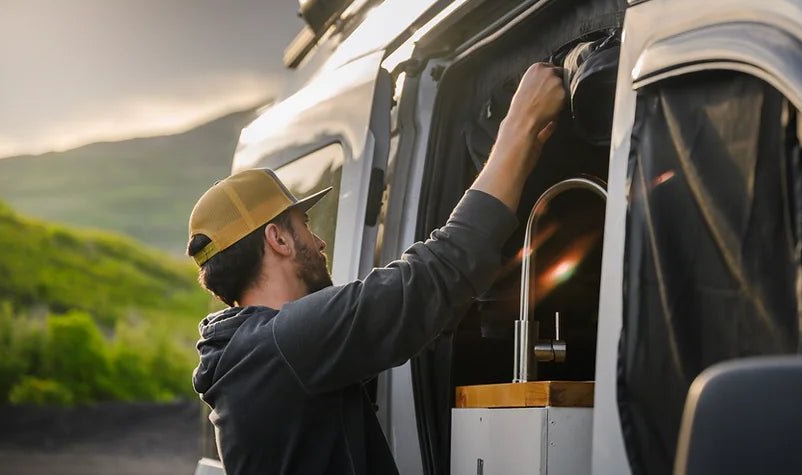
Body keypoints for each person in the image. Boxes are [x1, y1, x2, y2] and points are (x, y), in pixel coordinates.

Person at [189, 62, 565, 474]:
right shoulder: (285, 344)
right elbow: (437, 272)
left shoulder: (247, 356)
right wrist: (520, 125)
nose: (319, 242)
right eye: (305, 227)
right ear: (277, 239)